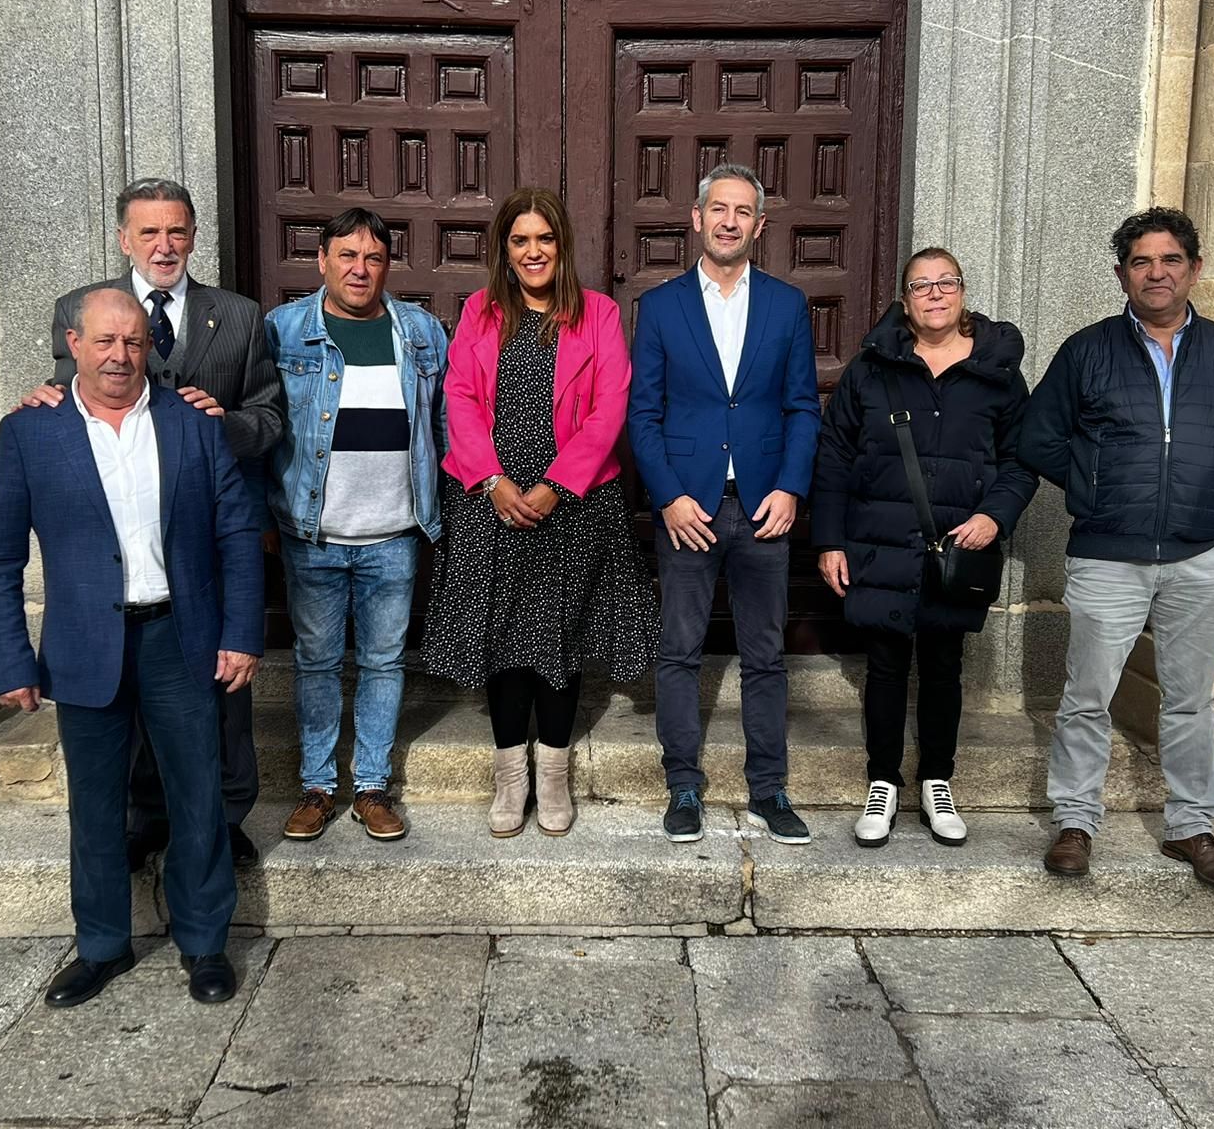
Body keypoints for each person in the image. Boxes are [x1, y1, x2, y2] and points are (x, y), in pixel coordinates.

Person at [0, 288, 263, 1006]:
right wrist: (11, 658)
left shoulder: (193, 424)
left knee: (198, 796)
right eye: (104, 341)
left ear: (150, 346)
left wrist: (241, 633)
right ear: (72, 344)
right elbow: (0, 559)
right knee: (96, 805)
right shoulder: (29, 434)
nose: (119, 356)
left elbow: (237, 533)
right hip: (83, 644)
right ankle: (102, 945)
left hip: (181, 637)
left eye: (133, 342)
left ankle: (204, 944)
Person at [1019, 206, 1214, 887]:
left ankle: (1192, 827)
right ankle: (1075, 822)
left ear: (1194, 268)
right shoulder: (1089, 350)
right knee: (1086, 696)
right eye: (1141, 262)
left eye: (1170, 260)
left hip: (1202, 555)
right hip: (1108, 554)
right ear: (1121, 274)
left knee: (1191, 700)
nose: (1156, 273)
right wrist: (1093, 482)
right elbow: (1035, 434)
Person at [26, 177, 280, 871]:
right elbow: (68, 400)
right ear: (123, 239)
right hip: (122, 536)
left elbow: (270, 419)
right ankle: (147, 817)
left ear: (194, 236)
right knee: (125, 685)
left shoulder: (239, 317)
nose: (164, 246)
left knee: (223, 688)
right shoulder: (79, 312)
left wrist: (221, 425)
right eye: (149, 233)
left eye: (177, 232)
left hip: (207, 536)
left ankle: (225, 818)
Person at [422, 188, 658, 838]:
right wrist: (492, 478)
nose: (533, 251)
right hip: (489, 502)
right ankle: (510, 778)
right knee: (504, 636)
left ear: (562, 246)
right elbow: (460, 399)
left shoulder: (599, 314)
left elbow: (611, 406)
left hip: (574, 503)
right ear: (505, 247)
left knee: (560, 634)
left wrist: (558, 482)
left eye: (545, 239)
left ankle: (552, 777)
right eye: (520, 240)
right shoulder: (480, 311)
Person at [813, 248, 1037, 847]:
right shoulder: (872, 368)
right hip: (880, 541)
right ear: (905, 299)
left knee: (943, 667)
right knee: (884, 666)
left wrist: (996, 515)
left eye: (947, 283)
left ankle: (938, 780)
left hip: (957, 547)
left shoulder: (997, 373)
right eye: (921, 285)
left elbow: (1021, 460)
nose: (935, 294)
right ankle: (882, 782)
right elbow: (833, 456)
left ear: (962, 291)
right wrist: (829, 540)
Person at [627, 162, 822, 845]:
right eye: (719, 208)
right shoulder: (659, 306)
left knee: (765, 656)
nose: (730, 220)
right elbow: (642, 414)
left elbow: (802, 406)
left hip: (764, 505)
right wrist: (669, 497)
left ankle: (769, 789)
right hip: (690, 508)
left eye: (744, 211)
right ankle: (683, 784)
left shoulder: (786, 304)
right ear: (697, 216)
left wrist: (792, 486)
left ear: (759, 226)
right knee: (679, 650)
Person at [263, 207, 447, 844]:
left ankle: (371, 786)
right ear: (322, 261)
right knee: (315, 662)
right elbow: (262, 425)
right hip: (312, 532)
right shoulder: (284, 331)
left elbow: (443, 427)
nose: (359, 269)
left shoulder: (421, 332)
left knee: (383, 661)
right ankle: (316, 785)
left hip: (394, 532)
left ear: (386, 264)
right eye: (346, 256)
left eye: (371, 257)